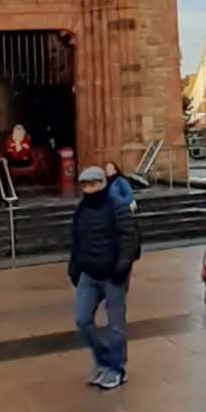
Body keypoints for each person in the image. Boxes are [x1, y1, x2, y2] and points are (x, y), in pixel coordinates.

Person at [69, 164, 138, 388]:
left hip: (112, 275)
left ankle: (116, 368)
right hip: (88, 274)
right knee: (82, 320)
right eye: (85, 186)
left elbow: (130, 238)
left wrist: (122, 267)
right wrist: (74, 267)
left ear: (102, 184)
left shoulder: (118, 206)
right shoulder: (82, 209)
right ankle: (103, 359)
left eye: (92, 185)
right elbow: (77, 240)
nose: (88, 190)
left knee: (115, 326)